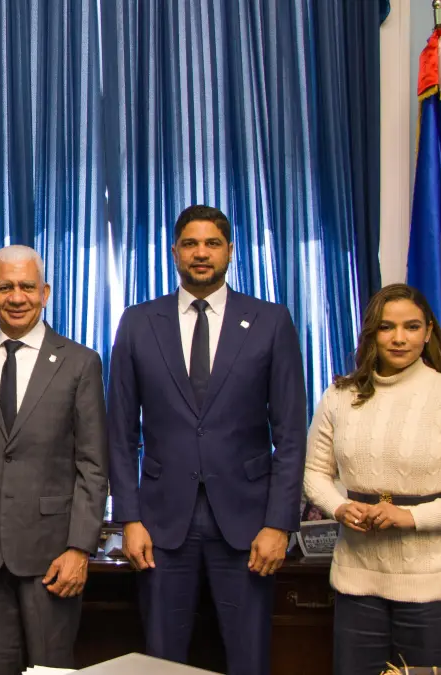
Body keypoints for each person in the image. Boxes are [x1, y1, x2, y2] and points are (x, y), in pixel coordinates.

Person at [107, 204, 308, 675]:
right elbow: (119, 433)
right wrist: (129, 519)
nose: (201, 253)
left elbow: (291, 435)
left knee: (248, 659)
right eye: (191, 244)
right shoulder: (138, 322)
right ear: (174, 251)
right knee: (162, 662)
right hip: (160, 526)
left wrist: (279, 524)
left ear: (230, 251)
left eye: (212, 243)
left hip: (248, 525)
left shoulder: (270, 320)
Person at [303, 283, 441, 674]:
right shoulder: (339, 396)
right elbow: (314, 472)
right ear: (372, 333)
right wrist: (339, 507)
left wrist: (412, 517)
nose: (399, 338)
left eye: (412, 327)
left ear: (428, 331)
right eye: (387, 327)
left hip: (438, 585)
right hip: (357, 580)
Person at [0, 245, 108, 675]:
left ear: (45, 293)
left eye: (26, 287)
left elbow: (93, 466)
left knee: (50, 670)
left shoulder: (80, 363)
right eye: (5, 288)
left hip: (53, 557)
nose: (16, 297)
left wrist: (79, 548)